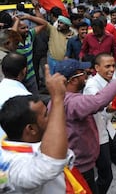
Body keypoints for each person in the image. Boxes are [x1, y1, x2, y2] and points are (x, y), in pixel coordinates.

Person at [53, 58, 116, 193]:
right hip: (82, 162)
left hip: (103, 135)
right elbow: (99, 102)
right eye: (83, 73)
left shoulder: (65, 98)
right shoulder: (73, 101)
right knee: (104, 178)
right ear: (73, 79)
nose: (86, 75)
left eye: (113, 66)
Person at [0, 64, 73, 193]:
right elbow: (51, 164)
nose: (52, 116)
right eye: (46, 115)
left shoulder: (35, 142)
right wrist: (57, 99)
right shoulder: (11, 166)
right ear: (31, 129)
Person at [83, 53, 116, 194]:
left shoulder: (112, 80)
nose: (112, 69)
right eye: (107, 66)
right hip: (97, 135)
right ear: (97, 68)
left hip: (108, 130)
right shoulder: (91, 86)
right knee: (106, 176)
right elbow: (104, 106)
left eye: (113, 66)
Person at [12, 10, 48, 95]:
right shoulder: (13, 42)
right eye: (23, 28)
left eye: (27, 27)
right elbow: (12, 34)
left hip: (31, 76)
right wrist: (17, 21)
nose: (26, 30)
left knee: (35, 99)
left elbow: (44, 24)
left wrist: (28, 17)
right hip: (18, 78)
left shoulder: (30, 36)